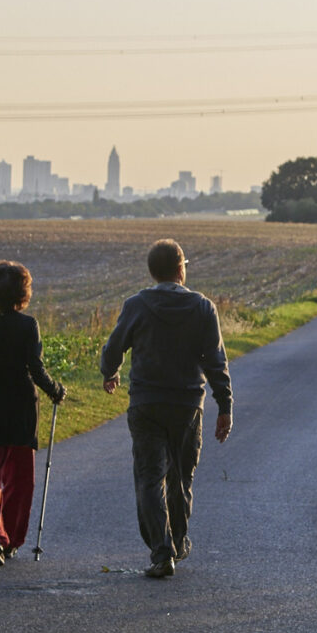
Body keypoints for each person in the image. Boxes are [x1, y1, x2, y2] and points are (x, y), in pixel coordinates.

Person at [99, 238, 231, 578]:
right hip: (187, 405)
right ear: (180, 268)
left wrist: (110, 372)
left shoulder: (136, 305)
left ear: (152, 271)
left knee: (149, 477)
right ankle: (180, 539)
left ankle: (161, 552)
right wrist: (225, 406)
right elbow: (216, 362)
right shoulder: (202, 308)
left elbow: (114, 348)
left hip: (145, 404)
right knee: (181, 477)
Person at [0, 260, 65, 567]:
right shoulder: (28, 325)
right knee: (21, 478)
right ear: (24, 292)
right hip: (22, 407)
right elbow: (35, 369)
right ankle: (11, 540)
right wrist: (55, 390)